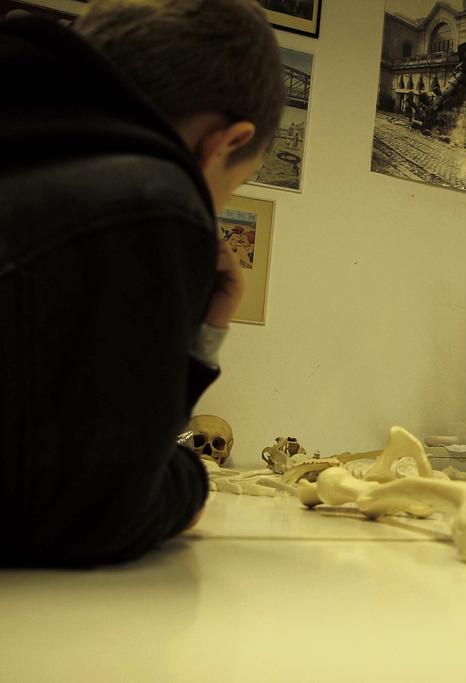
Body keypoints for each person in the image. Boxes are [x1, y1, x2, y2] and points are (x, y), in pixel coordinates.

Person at [0, 0, 285, 566]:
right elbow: (108, 508)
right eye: (230, 189)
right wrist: (192, 482)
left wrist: (204, 329)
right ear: (225, 143)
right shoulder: (153, 197)